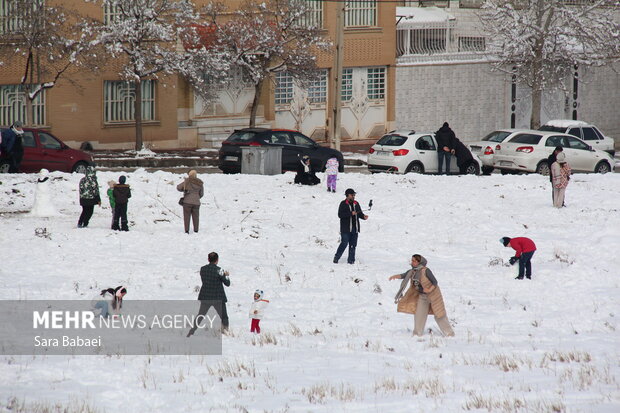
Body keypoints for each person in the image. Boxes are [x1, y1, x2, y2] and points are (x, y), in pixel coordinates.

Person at [389, 254, 455, 337]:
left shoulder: (426, 271)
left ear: (419, 262)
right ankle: (417, 333)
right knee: (419, 314)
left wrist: (429, 289)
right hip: (422, 296)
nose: (411, 262)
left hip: (433, 295)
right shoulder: (412, 271)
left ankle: (449, 333)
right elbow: (404, 275)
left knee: (439, 314)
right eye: (411, 260)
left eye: (414, 261)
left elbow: (435, 282)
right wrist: (395, 276)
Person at [187, 252, 231, 336]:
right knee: (224, 317)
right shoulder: (219, 270)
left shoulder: (203, 269)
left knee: (200, 315)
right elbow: (227, 283)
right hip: (218, 298)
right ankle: (225, 333)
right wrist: (226, 275)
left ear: (208, 259)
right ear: (217, 260)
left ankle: (191, 332)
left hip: (206, 296)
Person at [333, 188, 368, 264]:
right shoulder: (343, 204)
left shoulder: (356, 203)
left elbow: (359, 213)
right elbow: (340, 215)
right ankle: (336, 257)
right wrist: (350, 213)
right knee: (344, 243)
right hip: (345, 229)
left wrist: (363, 217)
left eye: (354, 195)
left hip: (355, 228)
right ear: (347, 195)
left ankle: (351, 261)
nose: (353, 196)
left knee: (353, 245)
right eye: (352, 195)